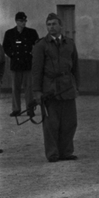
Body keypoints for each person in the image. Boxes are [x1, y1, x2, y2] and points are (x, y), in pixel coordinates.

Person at [30, 13, 79, 162]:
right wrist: (37, 92)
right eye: (48, 24)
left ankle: (66, 152)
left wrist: (77, 86)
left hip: (67, 88)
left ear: (61, 26)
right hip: (49, 90)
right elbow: (36, 70)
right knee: (51, 124)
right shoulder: (41, 45)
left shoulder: (69, 43)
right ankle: (53, 153)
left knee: (70, 123)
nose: (51, 27)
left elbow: (75, 67)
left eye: (54, 24)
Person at [3, 12, 39, 117]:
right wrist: (12, 55)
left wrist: (33, 55)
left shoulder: (31, 32)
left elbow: (37, 45)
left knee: (29, 88)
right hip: (16, 64)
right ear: (16, 21)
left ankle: (30, 109)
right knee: (15, 88)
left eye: (25, 21)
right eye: (21, 21)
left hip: (27, 64)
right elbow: (5, 47)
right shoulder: (9, 33)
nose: (24, 23)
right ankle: (16, 109)